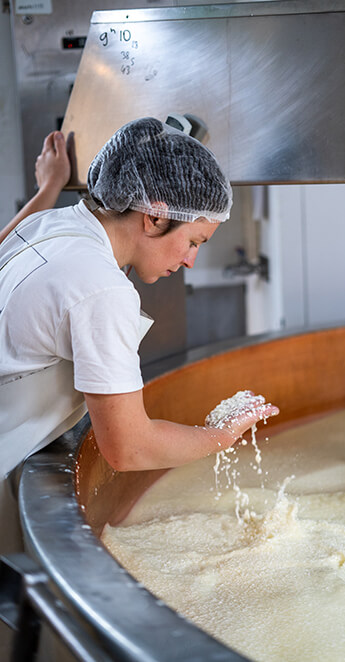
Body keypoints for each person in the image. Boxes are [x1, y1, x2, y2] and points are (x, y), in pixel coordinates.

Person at [0, 118, 279, 554]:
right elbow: (128, 449)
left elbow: (10, 239)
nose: (190, 261)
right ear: (153, 217)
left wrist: (49, 187)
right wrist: (221, 435)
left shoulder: (52, 224)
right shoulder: (103, 290)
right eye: (194, 241)